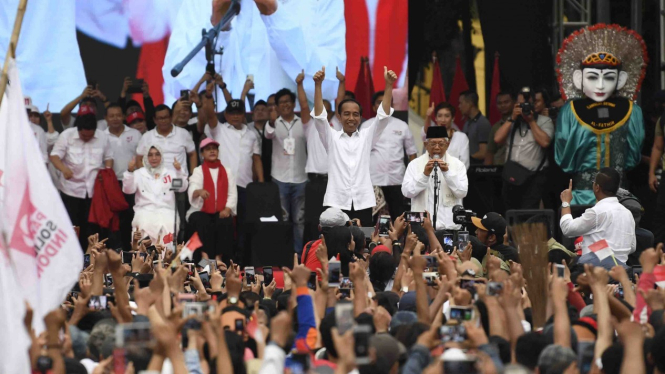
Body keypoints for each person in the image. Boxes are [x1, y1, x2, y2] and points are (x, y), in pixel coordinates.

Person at [162, 0, 345, 111]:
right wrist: (218, 23)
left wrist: (275, 15)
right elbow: (179, 84)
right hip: (219, 141)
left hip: (292, 140)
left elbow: (330, 86)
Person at [311, 66, 398, 227]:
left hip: (362, 201)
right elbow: (319, 117)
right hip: (336, 200)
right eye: (346, 114)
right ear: (339, 116)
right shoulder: (331, 136)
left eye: (355, 114)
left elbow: (383, 116)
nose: (351, 118)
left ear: (360, 117)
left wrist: (389, 85)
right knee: (337, 244)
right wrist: (318, 86)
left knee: (362, 244)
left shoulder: (366, 136)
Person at [203, 82, 264, 263]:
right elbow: (209, 114)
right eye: (232, 113)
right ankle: (223, 259)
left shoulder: (252, 134)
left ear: (243, 114)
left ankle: (241, 261)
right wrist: (208, 96)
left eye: (239, 113)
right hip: (224, 186)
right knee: (225, 225)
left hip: (245, 185)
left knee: (245, 225)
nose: (236, 116)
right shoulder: (219, 129)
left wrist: (260, 183)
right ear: (227, 115)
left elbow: (256, 159)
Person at [50, 108, 114, 250]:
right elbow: (54, 156)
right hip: (70, 190)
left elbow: (109, 158)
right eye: (84, 136)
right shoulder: (67, 136)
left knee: (92, 228)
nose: (87, 139)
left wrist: (107, 174)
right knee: (71, 226)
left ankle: (90, 259)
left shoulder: (103, 137)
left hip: (94, 191)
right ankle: (72, 257)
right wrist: (64, 169)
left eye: (90, 137)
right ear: (78, 129)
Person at [136, 104, 197, 242]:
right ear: (155, 120)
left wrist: (192, 174)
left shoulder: (183, 134)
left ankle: (178, 251)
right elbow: (139, 157)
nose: (163, 121)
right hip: (156, 183)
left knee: (180, 217)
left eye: (165, 117)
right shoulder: (147, 136)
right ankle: (158, 249)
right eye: (160, 118)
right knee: (157, 218)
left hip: (177, 181)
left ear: (171, 117)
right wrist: (144, 177)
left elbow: (192, 154)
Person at [560, 168, 636, 269]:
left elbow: (567, 229)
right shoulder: (628, 213)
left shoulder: (597, 212)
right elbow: (632, 247)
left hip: (597, 273)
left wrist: (565, 202)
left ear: (597, 187)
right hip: (621, 272)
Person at [493, 88, 554, 210]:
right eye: (520, 105)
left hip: (534, 178)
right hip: (511, 176)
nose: (523, 107)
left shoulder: (544, 121)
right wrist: (512, 118)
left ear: (534, 104)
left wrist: (531, 121)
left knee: (528, 214)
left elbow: (545, 142)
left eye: (526, 104)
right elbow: (497, 139)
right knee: (510, 214)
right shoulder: (511, 121)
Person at [265, 88, 308, 253]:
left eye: (287, 101)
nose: (285, 105)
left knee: (299, 220)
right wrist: (271, 121)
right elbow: (268, 135)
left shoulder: (303, 123)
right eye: (281, 102)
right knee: (282, 219)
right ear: (276, 106)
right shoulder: (273, 123)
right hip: (280, 178)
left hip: (300, 178)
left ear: (293, 103)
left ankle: (298, 255)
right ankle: (283, 254)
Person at [402, 127, 468, 231]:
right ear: (425, 145)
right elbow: (406, 192)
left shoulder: (457, 165)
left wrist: (447, 173)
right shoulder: (414, 165)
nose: (437, 148)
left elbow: (462, 193)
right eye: (433, 144)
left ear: (447, 145)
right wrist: (424, 175)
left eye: (441, 144)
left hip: (450, 227)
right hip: (422, 227)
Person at [122, 144, 188, 246]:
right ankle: (144, 260)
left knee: (170, 225)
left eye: (157, 154)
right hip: (144, 211)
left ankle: (165, 259)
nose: (154, 158)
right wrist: (130, 172)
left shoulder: (170, 173)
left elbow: (181, 188)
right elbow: (128, 190)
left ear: (161, 157)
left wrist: (179, 171)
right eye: (150, 155)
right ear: (146, 157)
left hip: (166, 211)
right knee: (144, 224)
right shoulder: (139, 173)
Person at [369, 90, 418, 221]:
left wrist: (411, 177)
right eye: (380, 102)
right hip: (373, 181)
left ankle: (398, 242)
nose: (383, 105)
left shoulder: (402, 125)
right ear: (373, 106)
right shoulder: (366, 126)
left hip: (397, 180)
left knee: (398, 217)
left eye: (387, 102)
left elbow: (412, 153)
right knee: (374, 219)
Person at [187, 138, 237, 263]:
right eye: (208, 149)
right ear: (202, 154)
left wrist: (227, 208)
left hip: (221, 210)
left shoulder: (227, 171)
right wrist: (199, 192)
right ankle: (205, 258)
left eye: (214, 149)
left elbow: (232, 193)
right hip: (201, 210)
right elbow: (193, 186)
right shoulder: (198, 171)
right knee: (201, 220)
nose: (212, 151)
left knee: (224, 221)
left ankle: (218, 258)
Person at [104, 103, 142, 250]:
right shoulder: (102, 136)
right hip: (111, 183)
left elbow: (141, 158)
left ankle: (129, 249)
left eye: (118, 115)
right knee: (113, 219)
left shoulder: (135, 134)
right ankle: (114, 250)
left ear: (124, 117)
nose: (115, 118)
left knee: (131, 216)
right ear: (106, 118)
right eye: (111, 116)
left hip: (132, 181)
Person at [423, 102, 470, 169]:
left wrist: (450, 175)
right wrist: (428, 116)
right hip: (434, 177)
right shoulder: (431, 137)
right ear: (435, 118)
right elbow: (426, 161)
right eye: (439, 116)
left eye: (447, 116)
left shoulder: (461, 137)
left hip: (455, 177)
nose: (443, 120)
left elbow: (465, 164)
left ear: (453, 118)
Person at [458, 90, 491, 165]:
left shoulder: (482, 123)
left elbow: (483, 152)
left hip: (477, 169)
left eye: (461, 103)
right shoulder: (467, 123)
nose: (459, 106)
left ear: (470, 103)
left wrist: (465, 159)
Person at [485, 91, 515, 166]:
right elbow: (490, 152)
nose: (503, 105)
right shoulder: (496, 127)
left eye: (506, 102)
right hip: (499, 168)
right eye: (499, 103)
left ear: (514, 102)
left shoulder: (522, 123)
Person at [248, 100, 273, 183]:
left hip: (271, 168)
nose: (260, 112)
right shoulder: (247, 129)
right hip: (252, 169)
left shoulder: (274, 128)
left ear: (269, 115)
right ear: (252, 116)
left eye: (263, 110)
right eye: (257, 110)